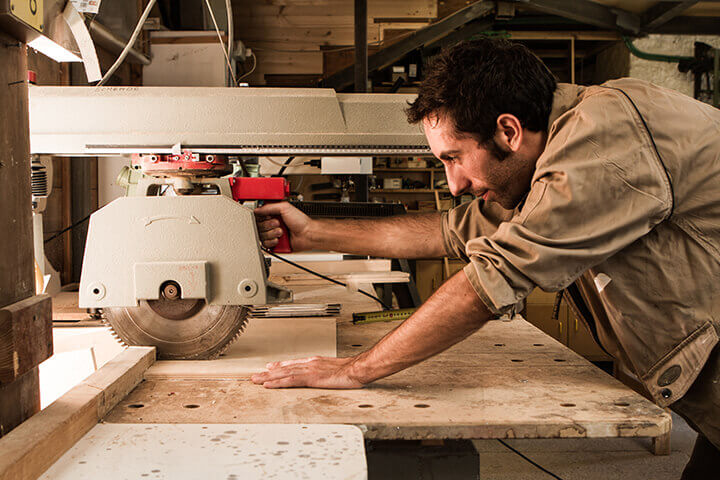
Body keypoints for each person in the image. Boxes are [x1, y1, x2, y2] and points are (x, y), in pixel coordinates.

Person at [251, 38, 720, 477]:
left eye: (453, 157)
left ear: (509, 131)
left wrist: (355, 370)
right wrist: (312, 233)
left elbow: (495, 276)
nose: (453, 184)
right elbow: (449, 231)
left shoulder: (604, 141)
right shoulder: (549, 158)